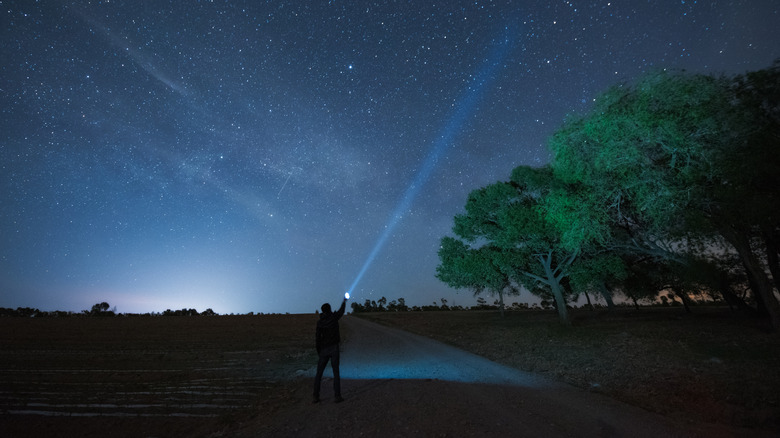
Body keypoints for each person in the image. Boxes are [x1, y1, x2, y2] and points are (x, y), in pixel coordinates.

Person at [313, 295, 348, 403]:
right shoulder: (333, 318)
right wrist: (344, 301)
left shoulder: (320, 323)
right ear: (330, 309)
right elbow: (341, 311)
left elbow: (317, 338)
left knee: (319, 374)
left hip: (323, 349)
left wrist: (319, 351)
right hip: (333, 348)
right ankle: (337, 396)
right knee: (336, 372)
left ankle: (315, 397)